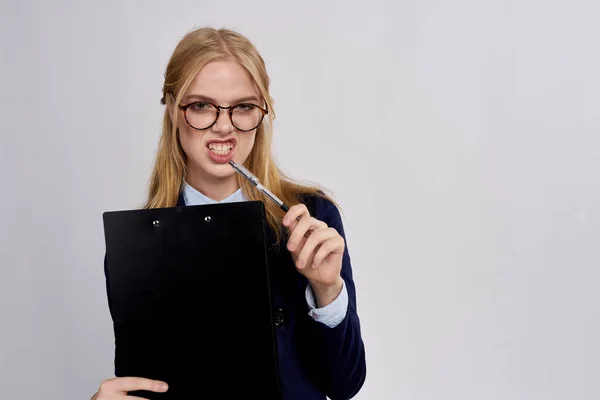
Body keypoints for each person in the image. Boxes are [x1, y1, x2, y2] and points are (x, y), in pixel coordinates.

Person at [92, 27, 366, 400]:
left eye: (243, 107)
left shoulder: (313, 218)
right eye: (202, 105)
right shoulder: (137, 246)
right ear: (173, 109)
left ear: (262, 112)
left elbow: (345, 384)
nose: (224, 126)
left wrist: (328, 289)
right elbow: (146, 386)